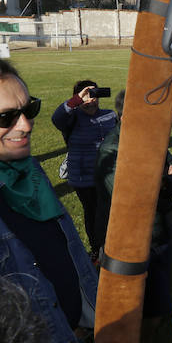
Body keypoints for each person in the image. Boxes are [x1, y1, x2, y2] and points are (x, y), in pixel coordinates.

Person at [0, 62, 146, 343]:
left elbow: (70, 257)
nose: (27, 125)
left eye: (28, 109)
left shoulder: (29, 174)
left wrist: (107, 329)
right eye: (7, 117)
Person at [94, 90, 172, 343]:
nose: (153, 119)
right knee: (126, 311)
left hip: (158, 236)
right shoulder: (111, 150)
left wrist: (161, 181)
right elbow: (133, 198)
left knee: (156, 310)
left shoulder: (151, 139)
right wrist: (163, 178)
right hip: (127, 244)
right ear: (124, 117)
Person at [51, 79, 117, 253]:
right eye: (86, 97)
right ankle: (97, 249)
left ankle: (113, 245)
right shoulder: (71, 119)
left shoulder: (110, 115)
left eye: (94, 95)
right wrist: (76, 100)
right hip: (84, 177)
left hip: (110, 175)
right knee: (93, 213)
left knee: (112, 212)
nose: (91, 100)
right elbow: (56, 118)